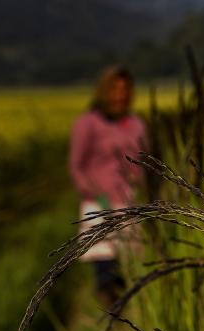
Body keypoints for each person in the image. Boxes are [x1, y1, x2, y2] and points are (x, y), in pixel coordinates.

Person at [69, 65, 147, 305]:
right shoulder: (87, 124)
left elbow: (145, 160)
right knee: (105, 268)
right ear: (104, 91)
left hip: (129, 202)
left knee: (126, 267)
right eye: (115, 89)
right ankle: (111, 317)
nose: (120, 95)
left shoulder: (136, 124)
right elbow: (76, 166)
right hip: (99, 205)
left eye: (125, 89)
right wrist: (93, 192)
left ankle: (123, 319)